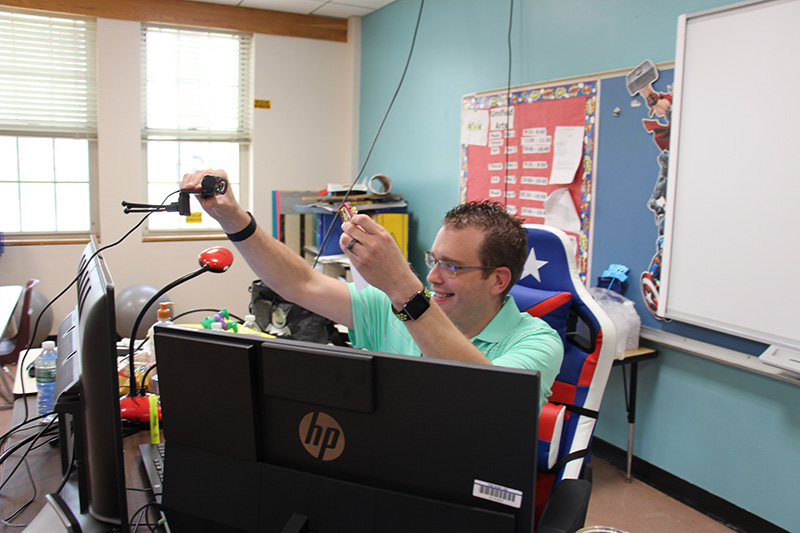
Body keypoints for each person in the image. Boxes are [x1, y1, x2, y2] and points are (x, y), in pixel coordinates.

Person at [180, 169, 563, 409]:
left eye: (452, 267)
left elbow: (489, 396)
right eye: (434, 260)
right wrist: (235, 220)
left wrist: (401, 285)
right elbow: (300, 283)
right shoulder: (392, 311)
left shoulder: (536, 343)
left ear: (498, 279)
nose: (432, 278)